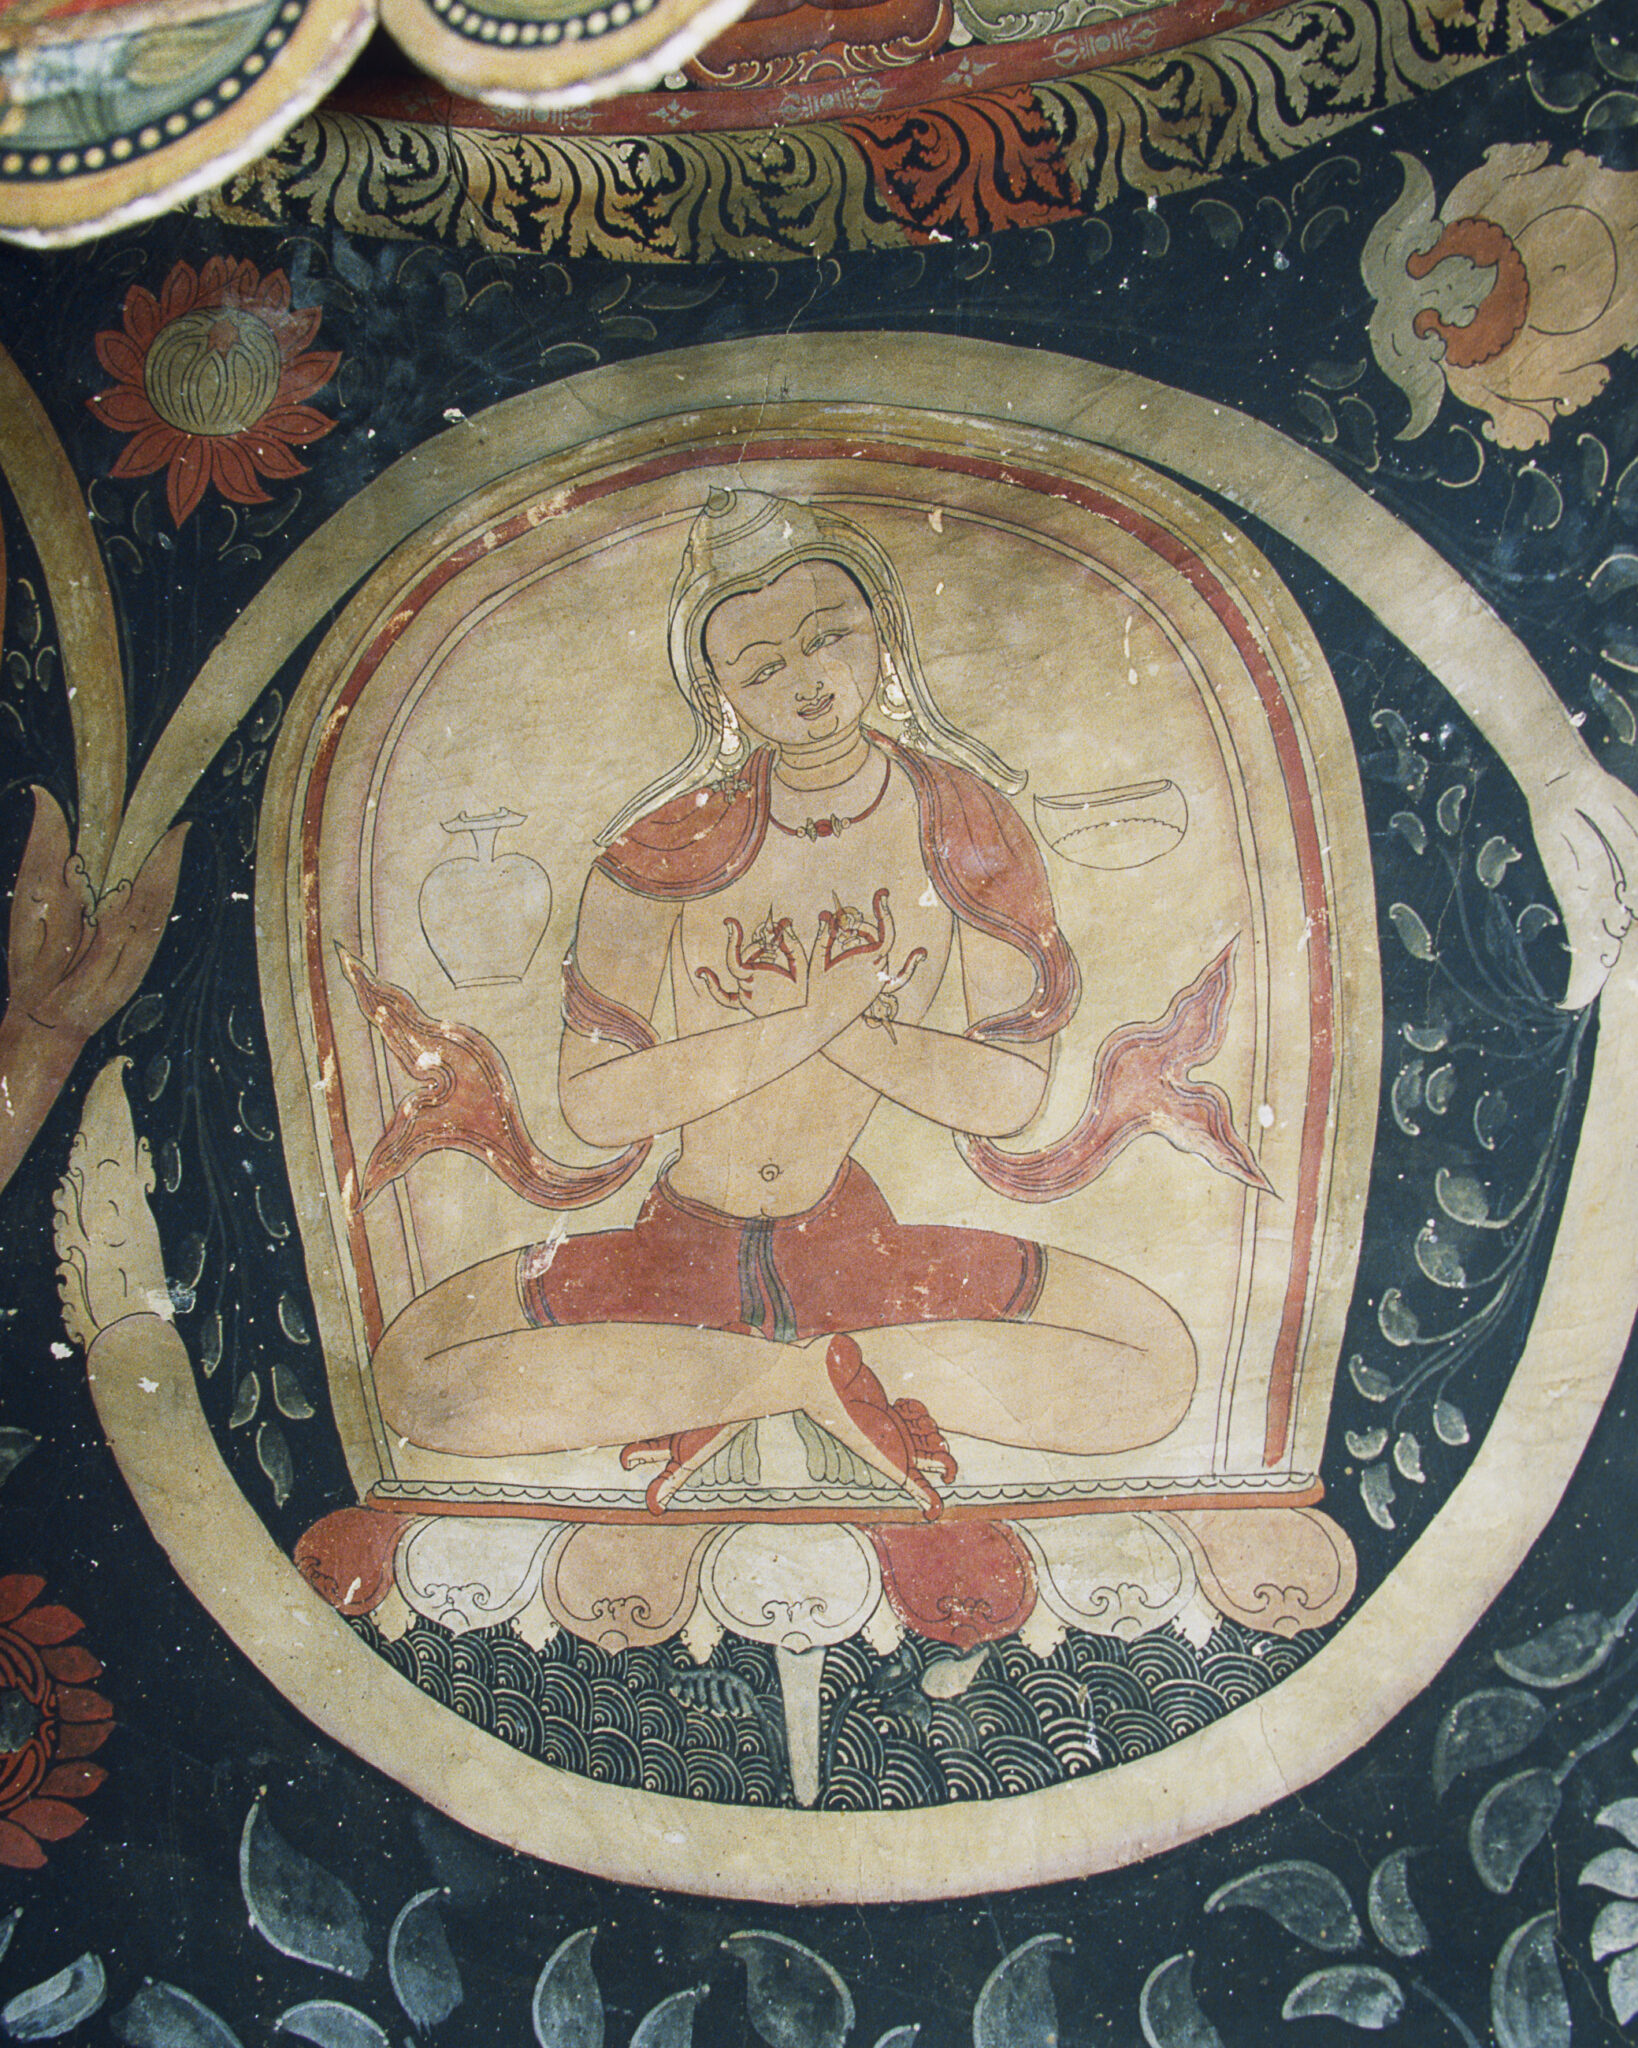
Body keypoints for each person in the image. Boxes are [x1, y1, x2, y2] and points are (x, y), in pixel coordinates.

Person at [366, 489, 1259, 1517]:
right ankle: (805, 1381)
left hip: (854, 1250)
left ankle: (731, 1382)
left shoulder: (962, 823)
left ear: (880, 629)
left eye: (828, 636)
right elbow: (598, 1104)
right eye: (762, 666)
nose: (807, 681)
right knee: (416, 1373)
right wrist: (805, 1021)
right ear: (722, 693)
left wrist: (850, 1029)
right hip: (680, 1251)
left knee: (1154, 1365)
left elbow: (1007, 1093)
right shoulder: (667, 845)